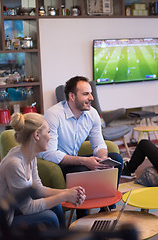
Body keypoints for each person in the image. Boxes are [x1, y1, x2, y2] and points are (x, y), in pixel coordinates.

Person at [0, 113, 86, 230]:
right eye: (48, 132)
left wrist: (68, 192)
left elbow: (38, 190)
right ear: (37, 135)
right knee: (49, 217)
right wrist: (65, 196)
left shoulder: (30, 157)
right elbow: (28, 208)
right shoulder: (14, 163)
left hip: (11, 209)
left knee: (55, 206)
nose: (50, 136)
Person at [39, 76, 123, 216]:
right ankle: (82, 217)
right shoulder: (53, 115)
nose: (91, 98)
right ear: (72, 96)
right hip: (56, 164)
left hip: (75, 159)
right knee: (81, 169)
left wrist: (103, 159)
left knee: (117, 160)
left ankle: (106, 208)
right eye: (86, 94)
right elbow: (49, 154)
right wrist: (84, 161)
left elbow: (99, 143)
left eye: (90, 93)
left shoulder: (92, 113)